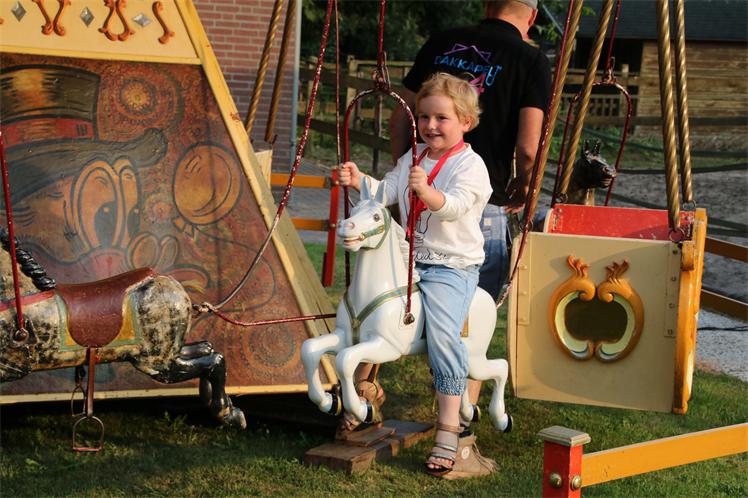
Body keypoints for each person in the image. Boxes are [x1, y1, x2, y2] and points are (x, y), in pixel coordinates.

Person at [389, 0, 552, 416]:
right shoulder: (530, 60)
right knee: (471, 319)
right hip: (484, 205)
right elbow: (528, 147)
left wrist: (404, 177)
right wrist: (524, 188)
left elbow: (400, 116)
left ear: (487, 5)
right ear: (532, 17)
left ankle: (366, 391)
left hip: (421, 193)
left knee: (392, 294)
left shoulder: (441, 41)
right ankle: (462, 418)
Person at [338, 73, 491, 477]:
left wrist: (426, 192)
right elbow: (386, 192)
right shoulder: (414, 157)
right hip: (409, 258)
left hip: (450, 266)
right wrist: (359, 181)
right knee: (367, 310)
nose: (430, 125)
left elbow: (454, 207)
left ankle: (448, 427)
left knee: (443, 335)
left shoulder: (470, 165)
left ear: (465, 122)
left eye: (441, 118)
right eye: (424, 117)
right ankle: (359, 397)